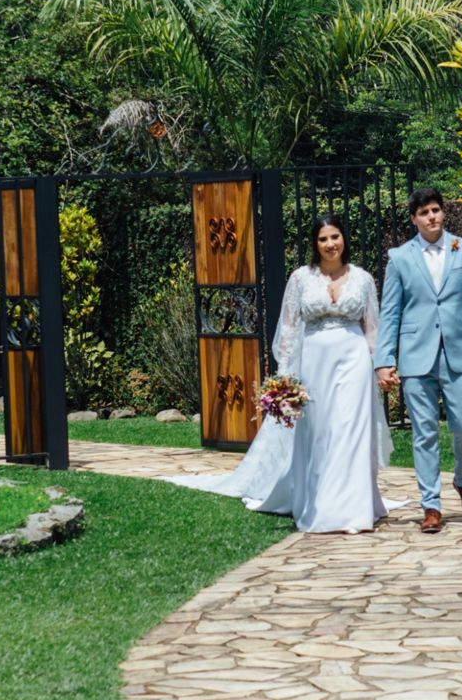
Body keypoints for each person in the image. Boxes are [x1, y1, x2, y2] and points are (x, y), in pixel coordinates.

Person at [168, 215, 397, 533]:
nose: (330, 244)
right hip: (315, 361)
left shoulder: (363, 279)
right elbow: (288, 330)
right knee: (319, 431)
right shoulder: (301, 278)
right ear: (315, 244)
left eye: (335, 237)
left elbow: (373, 327)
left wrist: (381, 366)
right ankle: (319, 501)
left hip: (354, 358)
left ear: (344, 239)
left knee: (351, 430)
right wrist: (285, 379)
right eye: (323, 239)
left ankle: (353, 509)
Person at [374, 189, 462, 534]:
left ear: (443, 213)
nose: (431, 217)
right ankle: (430, 505)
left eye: (436, 210)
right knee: (423, 432)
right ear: (414, 219)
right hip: (416, 355)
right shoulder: (399, 258)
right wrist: (383, 360)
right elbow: (391, 312)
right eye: (424, 213)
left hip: (460, 353)